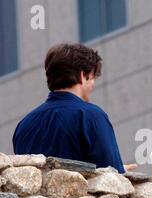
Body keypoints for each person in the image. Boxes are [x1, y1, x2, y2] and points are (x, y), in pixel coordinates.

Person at [13, 43, 135, 173]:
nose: (93, 84)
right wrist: (120, 171)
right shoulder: (91, 116)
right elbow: (112, 174)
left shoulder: (23, 125)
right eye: (93, 78)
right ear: (82, 76)